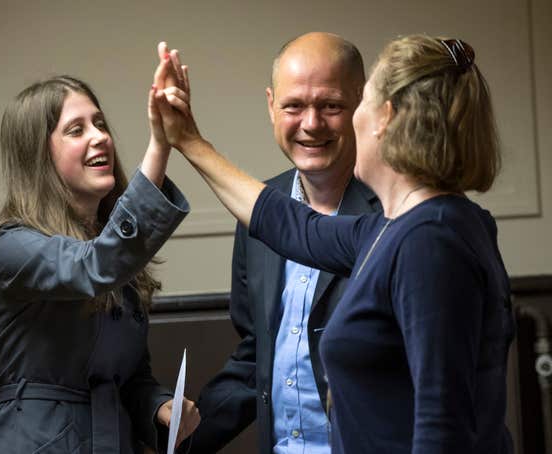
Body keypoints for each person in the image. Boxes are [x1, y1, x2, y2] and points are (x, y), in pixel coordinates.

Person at [152, 35, 515, 453]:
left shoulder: (431, 241)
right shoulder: (392, 230)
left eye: (352, 105)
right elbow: (289, 225)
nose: (318, 122)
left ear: (384, 118)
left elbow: (441, 428)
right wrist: (187, 139)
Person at [0, 50, 200, 454]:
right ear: (39, 157)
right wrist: (161, 145)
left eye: (100, 123)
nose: (100, 137)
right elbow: (96, 266)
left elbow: (129, 380)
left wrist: (160, 406)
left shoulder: (118, 257)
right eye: (76, 130)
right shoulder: (12, 246)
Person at [187, 32, 379, 453]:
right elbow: (258, 355)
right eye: (294, 106)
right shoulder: (256, 211)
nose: (311, 124)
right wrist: (179, 440)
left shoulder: (393, 213)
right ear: (271, 105)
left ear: (362, 105)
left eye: (330, 105)